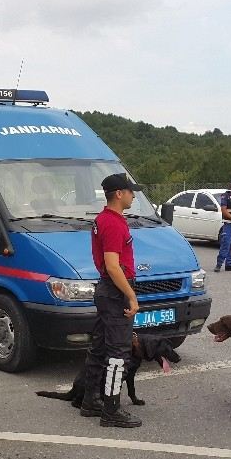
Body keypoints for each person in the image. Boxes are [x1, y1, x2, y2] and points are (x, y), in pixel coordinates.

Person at [80, 173, 143, 428]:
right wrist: (131, 295)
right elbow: (113, 266)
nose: (133, 195)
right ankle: (111, 409)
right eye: (130, 191)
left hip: (107, 290)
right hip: (115, 292)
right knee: (118, 353)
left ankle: (90, 400)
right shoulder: (114, 223)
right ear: (119, 193)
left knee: (99, 346)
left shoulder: (104, 219)